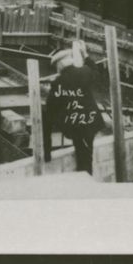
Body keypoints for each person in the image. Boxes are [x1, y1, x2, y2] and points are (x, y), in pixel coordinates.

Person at [46, 46, 104, 175]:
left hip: (76, 125)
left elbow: (49, 113)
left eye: (57, 67)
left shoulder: (58, 83)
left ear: (60, 65)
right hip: (91, 122)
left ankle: (86, 180)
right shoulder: (85, 72)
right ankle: (86, 175)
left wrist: (47, 148)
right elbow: (96, 71)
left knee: (83, 156)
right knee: (86, 154)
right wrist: (86, 55)